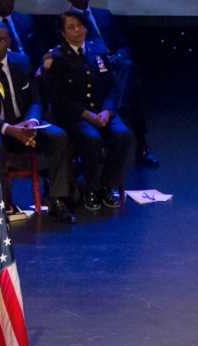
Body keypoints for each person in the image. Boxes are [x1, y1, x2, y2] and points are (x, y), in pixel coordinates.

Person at [0, 23, 76, 223]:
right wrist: (8, 128)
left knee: (58, 137)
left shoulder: (21, 62)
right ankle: (2, 205)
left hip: (23, 126)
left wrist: (31, 120)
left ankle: (57, 199)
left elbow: (36, 98)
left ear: (9, 42)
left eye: (1, 40)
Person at [44, 11, 134, 212]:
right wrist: (87, 115)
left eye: (80, 26)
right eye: (71, 27)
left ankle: (106, 185)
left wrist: (108, 112)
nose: (77, 31)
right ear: (63, 33)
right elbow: (59, 98)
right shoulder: (57, 57)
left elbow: (112, 87)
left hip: (102, 111)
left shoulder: (98, 51)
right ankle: (90, 189)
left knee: (123, 135)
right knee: (91, 138)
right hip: (76, 115)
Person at [65, 0, 158, 167]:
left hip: (115, 66)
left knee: (128, 68)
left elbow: (123, 45)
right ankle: (116, 111)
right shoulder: (66, 21)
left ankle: (139, 145)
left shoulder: (104, 15)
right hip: (90, 70)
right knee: (128, 83)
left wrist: (118, 57)